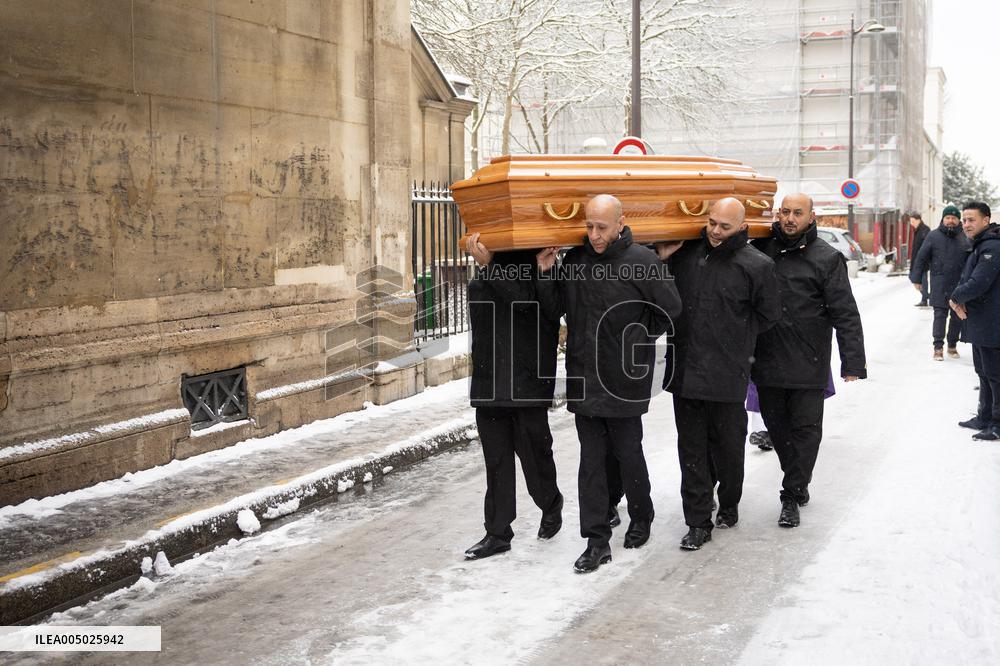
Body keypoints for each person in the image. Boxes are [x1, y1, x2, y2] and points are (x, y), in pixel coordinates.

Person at [537, 194, 682, 572]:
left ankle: (642, 515)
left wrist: (637, 340)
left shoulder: (643, 261)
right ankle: (596, 540)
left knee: (627, 452)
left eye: (602, 227)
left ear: (620, 223)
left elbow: (671, 310)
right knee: (591, 461)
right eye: (589, 226)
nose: (594, 235)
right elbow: (554, 310)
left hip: (624, 378)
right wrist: (548, 272)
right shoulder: (575, 261)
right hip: (585, 375)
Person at [655, 198, 781, 550]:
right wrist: (661, 260)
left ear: (742, 227)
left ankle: (728, 501)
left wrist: (735, 336)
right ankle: (697, 522)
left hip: (728, 371)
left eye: (725, 226)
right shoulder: (683, 254)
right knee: (691, 450)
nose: (715, 231)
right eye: (712, 222)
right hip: (685, 371)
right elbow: (660, 296)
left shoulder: (757, 265)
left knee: (727, 447)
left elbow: (769, 314)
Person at [751, 193, 867, 528]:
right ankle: (796, 479)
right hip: (768, 359)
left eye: (797, 213)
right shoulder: (760, 251)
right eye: (785, 212)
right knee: (777, 429)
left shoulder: (827, 258)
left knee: (806, 432)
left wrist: (853, 362)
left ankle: (791, 494)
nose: (790, 218)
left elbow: (845, 312)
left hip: (809, 360)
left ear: (811, 217)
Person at [462, 234, 564, 560]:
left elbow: (528, 305)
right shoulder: (487, 268)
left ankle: (550, 503)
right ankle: (498, 532)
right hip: (490, 378)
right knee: (496, 462)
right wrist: (489, 265)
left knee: (535, 456)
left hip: (527, 379)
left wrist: (490, 265)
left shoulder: (542, 261)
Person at [949, 201, 1000, 441]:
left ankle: (997, 424)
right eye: (964, 220)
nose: (966, 224)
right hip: (981, 320)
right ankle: (984, 416)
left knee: (995, 374)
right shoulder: (981, 244)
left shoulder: (992, 246)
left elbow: (979, 282)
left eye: (972, 220)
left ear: (986, 220)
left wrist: (955, 297)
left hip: (993, 321)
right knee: (983, 371)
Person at [908, 205, 971, 360]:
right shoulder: (933, 236)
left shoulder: (965, 236)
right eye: (947, 218)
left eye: (954, 218)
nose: (950, 221)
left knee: (957, 317)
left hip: (960, 285)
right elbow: (921, 257)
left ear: (959, 220)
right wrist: (916, 278)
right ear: (943, 219)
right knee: (940, 316)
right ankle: (938, 347)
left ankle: (952, 345)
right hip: (939, 283)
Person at [909, 212, 931, 307]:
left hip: (923, 261)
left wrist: (924, 259)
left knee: (922, 280)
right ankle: (926, 297)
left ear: (918, 220)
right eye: (911, 221)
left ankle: (926, 298)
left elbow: (926, 247)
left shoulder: (925, 230)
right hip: (917, 260)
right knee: (913, 277)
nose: (912, 223)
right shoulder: (918, 230)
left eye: (913, 221)